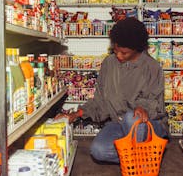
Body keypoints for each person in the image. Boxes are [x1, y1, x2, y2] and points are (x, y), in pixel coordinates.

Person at [57, 18, 168, 164]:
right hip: (119, 123)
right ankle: (141, 159)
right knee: (98, 150)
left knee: (131, 118)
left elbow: (155, 104)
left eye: (124, 53)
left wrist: (143, 108)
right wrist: (76, 114)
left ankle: (140, 164)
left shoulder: (152, 68)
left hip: (149, 126)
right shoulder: (109, 64)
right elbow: (100, 100)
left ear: (137, 49)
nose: (118, 56)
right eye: (115, 50)